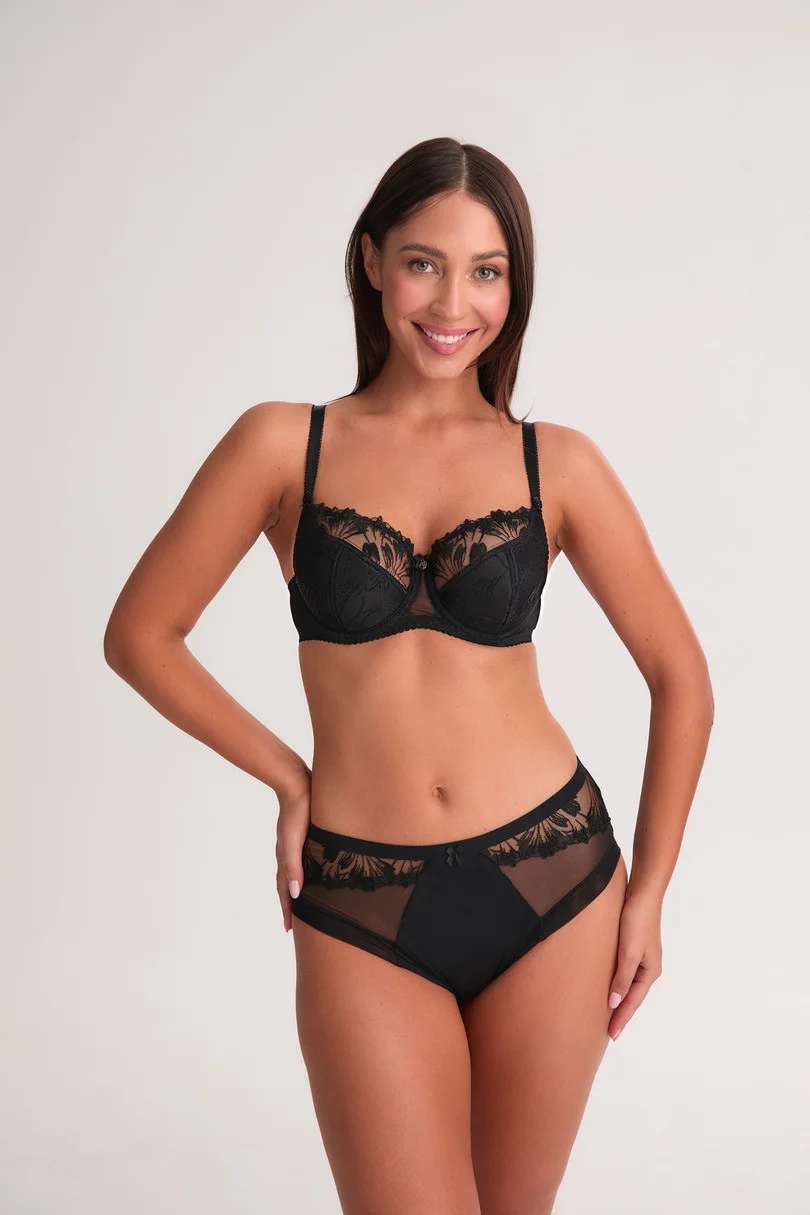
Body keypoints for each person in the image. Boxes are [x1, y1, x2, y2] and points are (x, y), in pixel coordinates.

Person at [104, 137, 714, 1215]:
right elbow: (141, 633)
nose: (453, 302)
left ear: (514, 288)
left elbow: (682, 677)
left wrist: (650, 892)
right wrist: (289, 777)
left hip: (556, 883)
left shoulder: (557, 462)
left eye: (487, 271)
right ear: (373, 260)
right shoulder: (282, 445)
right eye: (425, 262)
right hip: (361, 896)